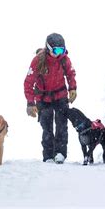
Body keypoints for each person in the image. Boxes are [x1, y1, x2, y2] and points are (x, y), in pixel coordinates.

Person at [24, 33, 77, 164]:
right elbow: (28, 82)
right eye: (56, 50)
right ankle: (48, 155)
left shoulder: (64, 59)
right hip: (43, 98)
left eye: (61, 50)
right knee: (47, 127)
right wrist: (30, 103)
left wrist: (73, 88)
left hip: (60, 96)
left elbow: (70, 73)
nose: (58, 53)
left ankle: (60, 153)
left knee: (61, 126)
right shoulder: (38, 60)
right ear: (48, 48)